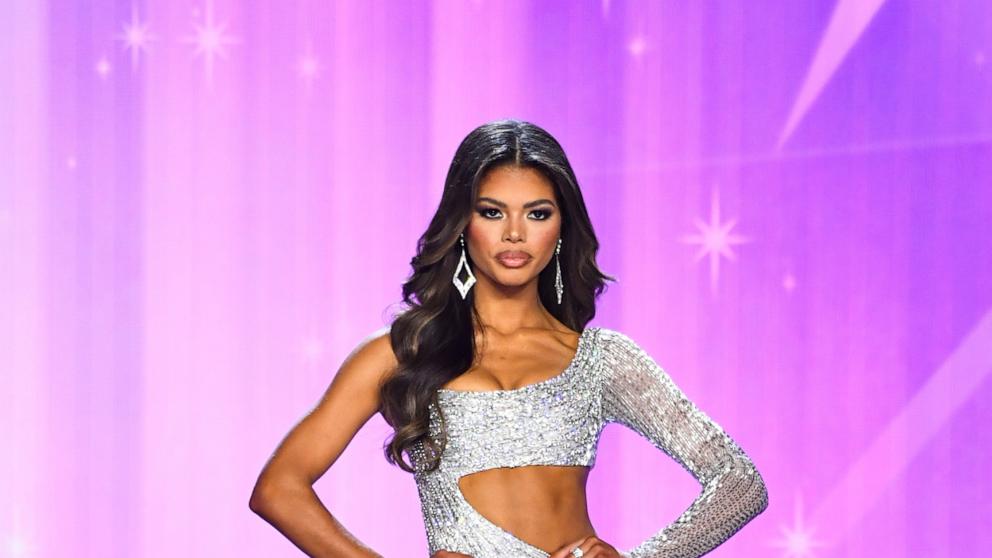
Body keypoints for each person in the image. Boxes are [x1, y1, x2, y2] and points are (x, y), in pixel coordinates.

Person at [249, 119, 769, 558]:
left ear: (562, 227)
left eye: (537, 213)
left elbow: (740, 484)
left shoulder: (604, 360)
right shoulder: (400, 354)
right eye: (492, 211)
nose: (515, 233)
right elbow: (278, 489)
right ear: (461, 223)